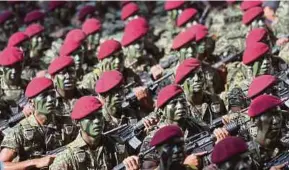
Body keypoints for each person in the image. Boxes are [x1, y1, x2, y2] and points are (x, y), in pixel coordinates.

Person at [0, 77, 65, 169]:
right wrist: (36, 162)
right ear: (32, 101)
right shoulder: (18, 131)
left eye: (52, 94)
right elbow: (1, 166)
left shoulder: (67, 123)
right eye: (44, 96)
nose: (50, 99)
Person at [49, 96, 124, 170]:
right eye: (90, 117)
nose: (97, 121)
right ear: (77, 122)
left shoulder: (116, 144)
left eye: (99, 115)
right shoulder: (67, 158)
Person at [175, 58, 227, 125]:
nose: (197, 79)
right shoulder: (180, 110)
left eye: (199, 74)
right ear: (182, 84)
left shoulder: (216, 99)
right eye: (191, 76)